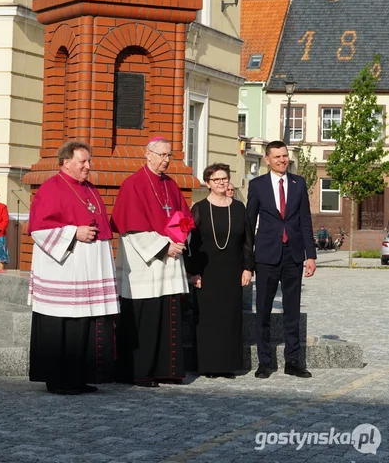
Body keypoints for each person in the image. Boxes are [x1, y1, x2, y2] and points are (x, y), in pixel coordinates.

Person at [27, 141, 119, 396]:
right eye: (83, 162)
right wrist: (74, 232)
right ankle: (58, 380)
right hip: (63, 269)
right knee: (63, 325)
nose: (88, 166)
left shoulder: (89, 188)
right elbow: (38, 229)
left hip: (86, 271)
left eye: (89, 161)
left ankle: (79, 377)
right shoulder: (50, 188)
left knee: (82, 325)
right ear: (66, 162)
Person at [111, 136, 192, 387]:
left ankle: (166, 370)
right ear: (147, 155)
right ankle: (139, 372)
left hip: (170, 259)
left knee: (168, 314)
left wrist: (179, 241)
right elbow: (130, 227)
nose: (166, 160)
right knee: (145, 318)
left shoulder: (171, 185)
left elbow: (183, 217)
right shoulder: (133, 184)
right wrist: (164, 246)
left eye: (169, 155)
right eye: (161, 155)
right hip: (144, 263)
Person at [247, 141, 317, 379]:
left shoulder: (299, 184)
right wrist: (248, 261)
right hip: (266, 255)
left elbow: (305, 221)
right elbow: (248, 224)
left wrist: (311, 256)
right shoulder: (257, 186)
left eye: (285, 156)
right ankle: (265, 362)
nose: (282, 160)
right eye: (277, 156)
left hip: (294, 254)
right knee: (263, 310)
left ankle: (293, 361)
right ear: (267, 159)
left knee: (292, 310)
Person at [187, 164, 253, 379]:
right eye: (217, 180)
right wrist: (193, 272)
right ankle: (209, 365)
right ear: (208, 183)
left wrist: (247, 268)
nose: (222, 183)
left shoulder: (239, 208)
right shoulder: (199, 208)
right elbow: (191, 244)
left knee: (230, 317)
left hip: (232, 270)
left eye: (225, 178)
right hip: (206, 271)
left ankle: (227, 365)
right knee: (208, 318)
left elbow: (247, 241)